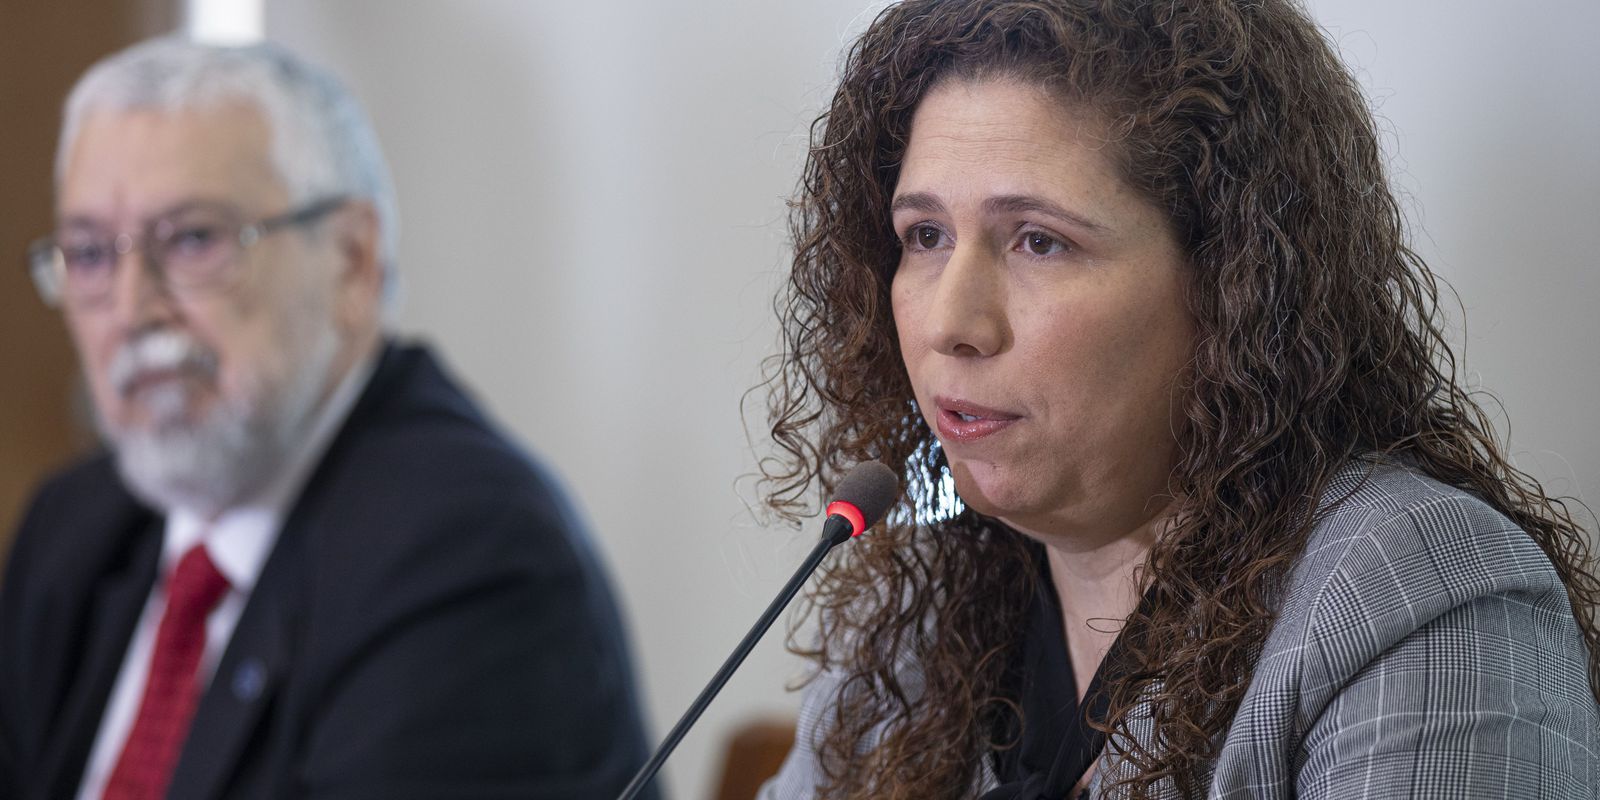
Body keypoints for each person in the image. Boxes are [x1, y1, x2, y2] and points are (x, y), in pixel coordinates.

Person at [755, 0, 1600, 797]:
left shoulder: (1413, 593)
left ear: (1233, 282)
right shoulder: (912, 632)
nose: (950, 323)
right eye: (925, 235)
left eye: (1039, 241)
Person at [0, 38, 658, 800]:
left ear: (351, 259)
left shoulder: (469, 557)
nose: (130, 309)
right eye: (88, 254)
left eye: (192, 239)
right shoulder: (74, 527)